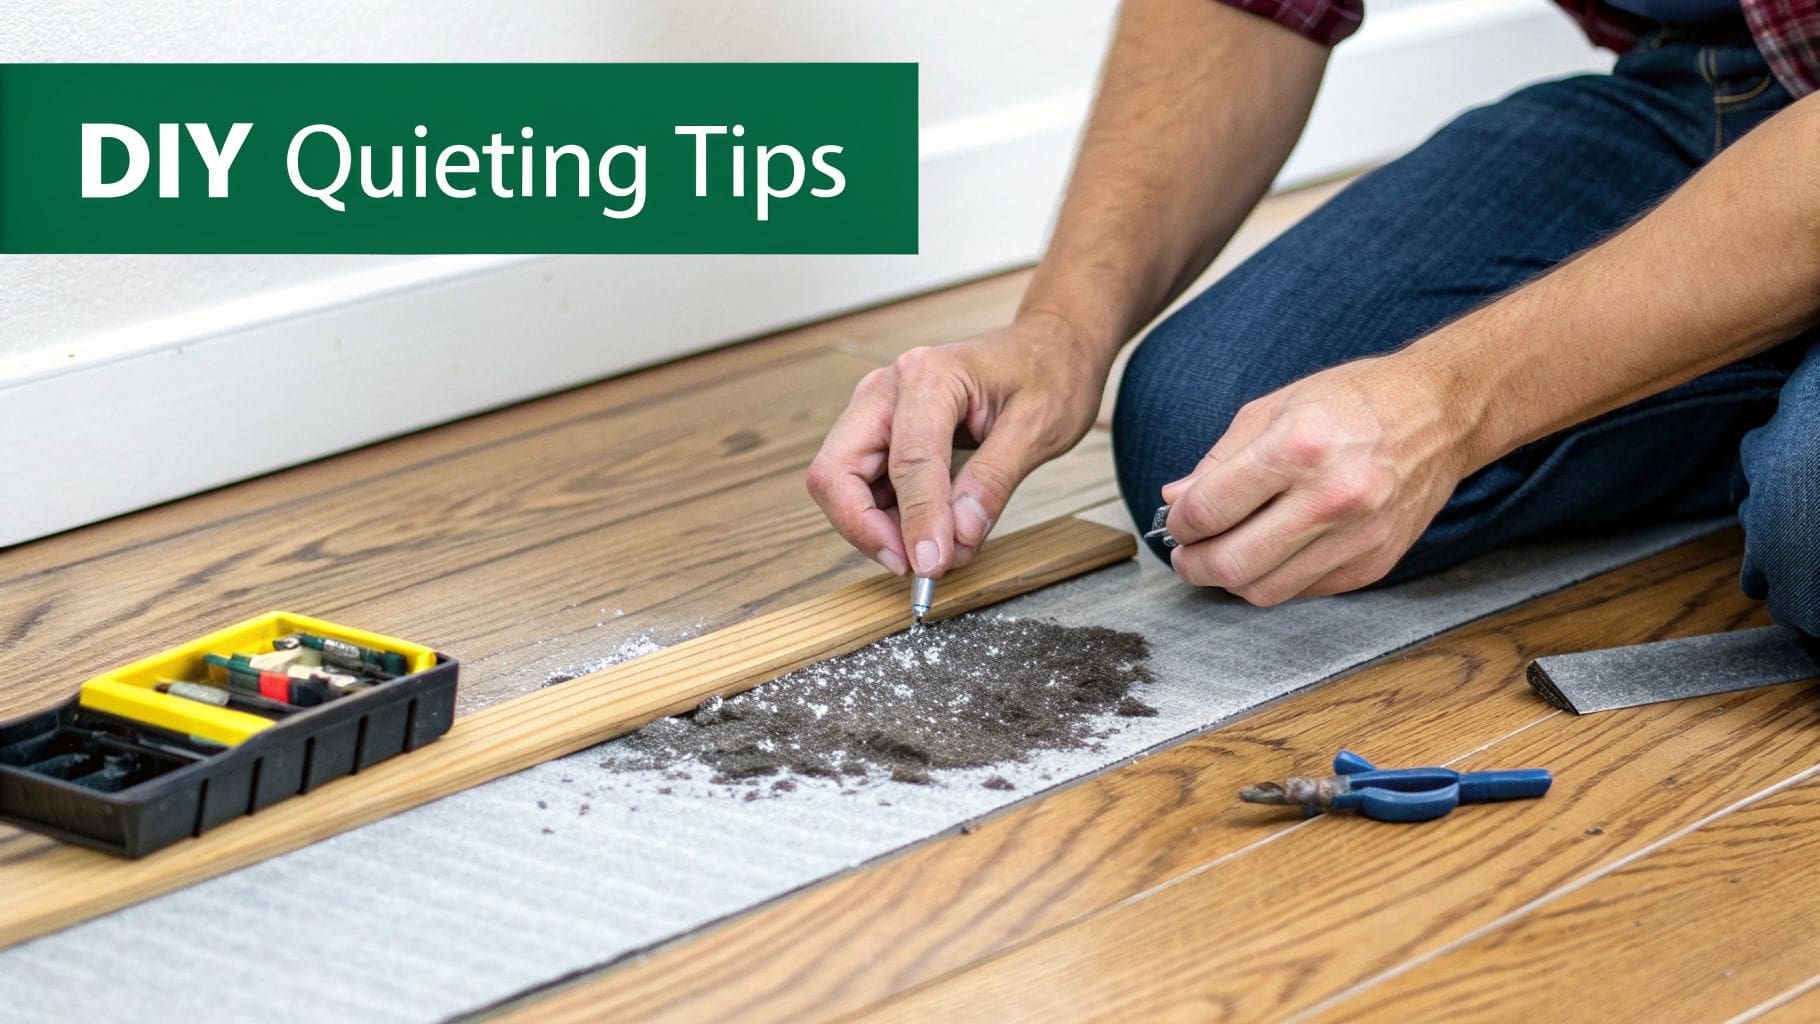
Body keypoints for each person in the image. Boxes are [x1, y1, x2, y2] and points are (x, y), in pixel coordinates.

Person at [805, 0, 1820, 635]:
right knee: (1215, 440)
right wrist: (1061, 330)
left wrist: (1454, 397)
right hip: (1706, 80)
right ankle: (1745, 323)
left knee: (1809, 518)